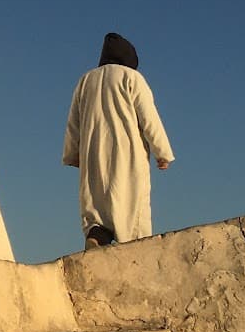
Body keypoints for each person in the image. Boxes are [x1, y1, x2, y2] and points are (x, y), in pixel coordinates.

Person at [62, 32, 175, 249]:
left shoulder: (85, 81)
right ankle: (135, 256)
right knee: (132, 212)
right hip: (126, 155)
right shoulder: (131, 78)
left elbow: (73, 122)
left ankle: (97, 235)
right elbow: (149, 118)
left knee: (97, 210)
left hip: (93, 157)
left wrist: (72, 154)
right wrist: (162, 152)